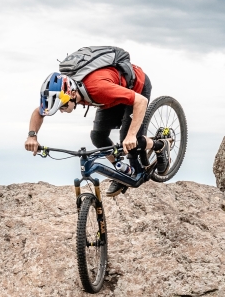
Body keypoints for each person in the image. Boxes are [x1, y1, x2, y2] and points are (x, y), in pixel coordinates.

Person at [25, 54, 152, 195]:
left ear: (72, 94)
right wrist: (32, 136)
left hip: (136, 87)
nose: (61, 111)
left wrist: (132, 135)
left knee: (127, 141)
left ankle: (160, 146)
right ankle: (122, 170)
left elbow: (141, 101)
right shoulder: (70, 93)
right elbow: (39, 112)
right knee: (98, 137)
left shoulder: (98, 88)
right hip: (110, 97)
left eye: (62, 107)